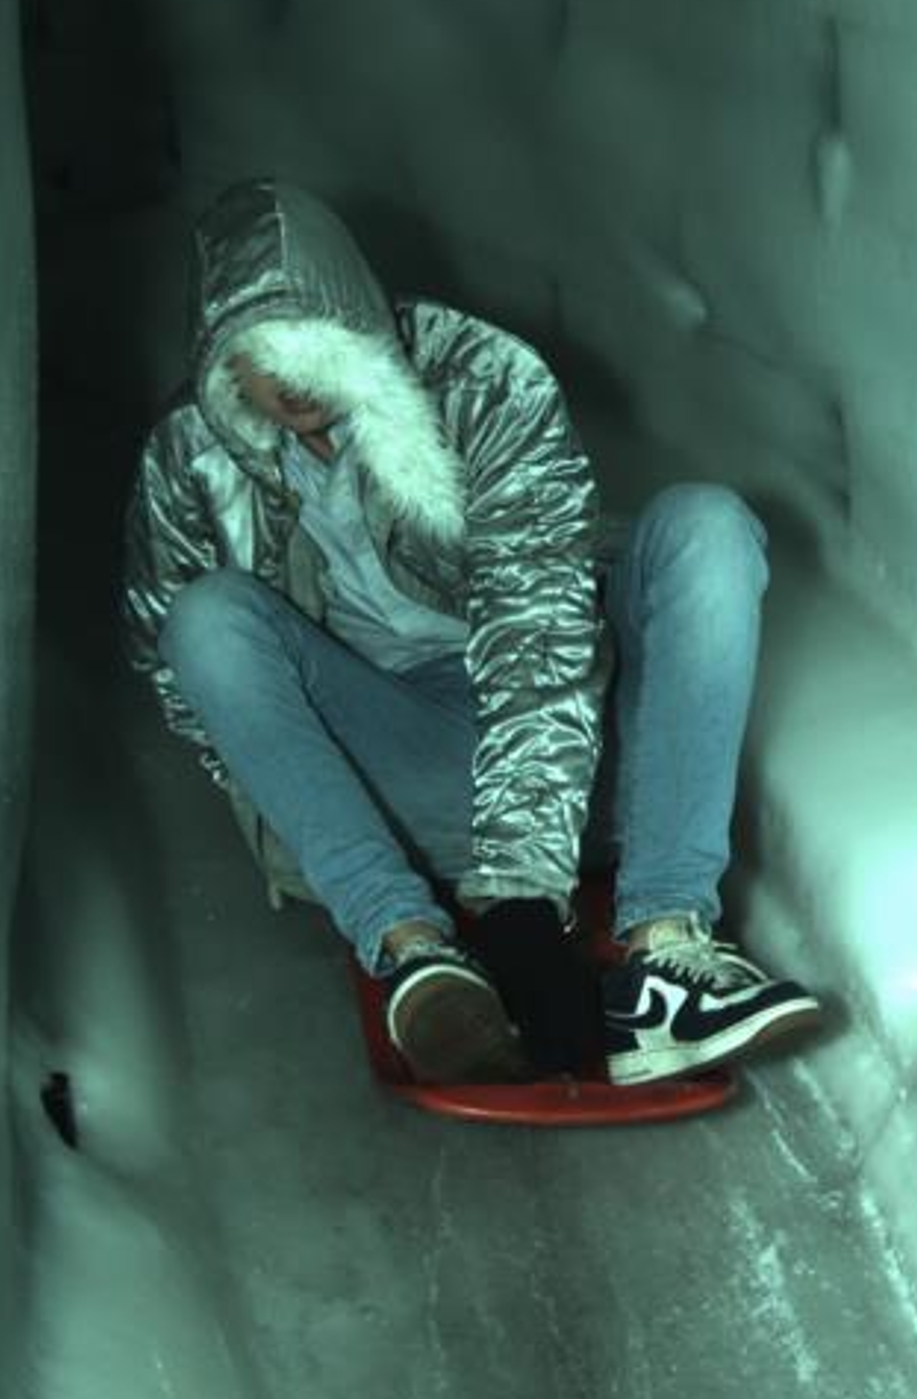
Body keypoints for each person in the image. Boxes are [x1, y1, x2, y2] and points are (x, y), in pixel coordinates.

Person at [123, 176, 821, 1088]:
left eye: (315, 340)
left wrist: (522, 899)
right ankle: (415, 956)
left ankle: (667, 948)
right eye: (262, 350)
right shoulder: (188, 458)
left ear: (359, 326)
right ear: (222, 362)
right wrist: (317, 820)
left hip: (582, 756)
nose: (293, 376)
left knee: (708, 525)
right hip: (403, 783)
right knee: (204, 618)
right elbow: (186, 681)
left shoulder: (481, 380)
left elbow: (540, 628)